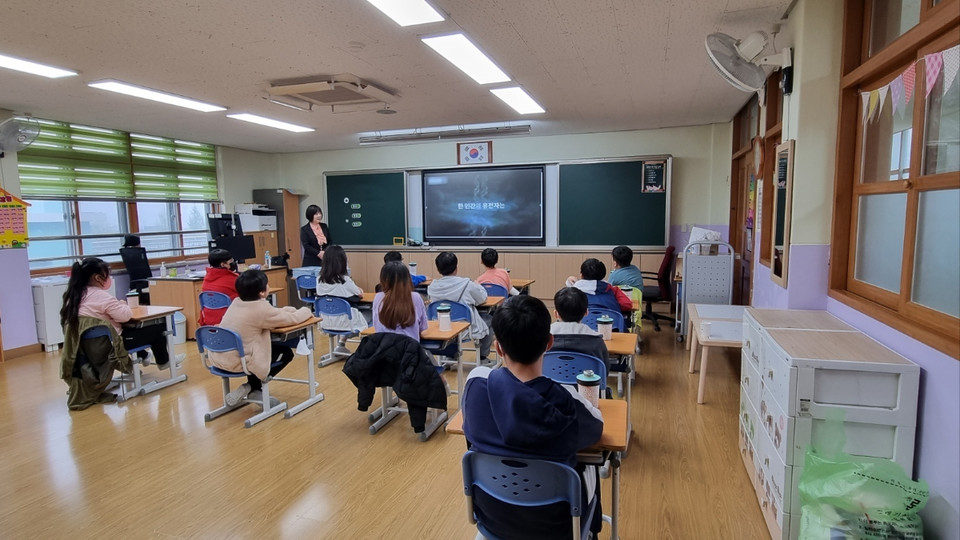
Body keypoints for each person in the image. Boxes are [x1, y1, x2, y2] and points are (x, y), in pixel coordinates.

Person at [461, 295, 604, 539]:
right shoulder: (568, 401)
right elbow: (596, 428)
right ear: (549, 342)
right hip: (556, 526)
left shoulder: (476, 385)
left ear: (498, 347)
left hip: (493, 517)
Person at [212, 269, 313, 406]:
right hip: (240, 362)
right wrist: (307, 310)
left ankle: (253, 388)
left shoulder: (236, 303)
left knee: (262, 349)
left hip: (220, 358)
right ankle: (252, 387)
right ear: (262, 292)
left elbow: (273, 313)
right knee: (286, 353)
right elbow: (293, 319)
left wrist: (288, 310)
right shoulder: (261, 309)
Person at [60, 257, 170, 369]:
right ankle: (163, 362)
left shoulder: (72, 297)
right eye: (107, 275)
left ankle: (144, 356)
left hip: (84, 345)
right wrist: (123, 304)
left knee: (129, 331)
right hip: (110, 344)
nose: (108, 278)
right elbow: (125, 316)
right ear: (98, 277)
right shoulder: (101, 296)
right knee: (158, 330)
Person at [427, 251, 493, 362]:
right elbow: (482, 298)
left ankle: (450, 355)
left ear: (438, 269)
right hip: (466, 330)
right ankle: (482, 357)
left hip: (443, 328)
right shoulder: (466, 284)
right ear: (456, 267)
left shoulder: (432, 287)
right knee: (489, 319)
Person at [314, 245, 369, 347]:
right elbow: (359, 293)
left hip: (326, 322)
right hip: (347, 323)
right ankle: (366, 349)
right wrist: (358, 289)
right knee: (372, 314)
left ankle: (341, 344)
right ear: (342, 261)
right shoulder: (344, 280)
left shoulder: (319, 279)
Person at [550, 287, 610, 373]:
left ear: (556, 314)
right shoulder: (596, 341)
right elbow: (604, 371)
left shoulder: (543, 339)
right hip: (584, 381)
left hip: (548, 381)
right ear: (586, 312)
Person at [373, 261, 428, 342]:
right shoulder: (415, 297)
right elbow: (423, 327)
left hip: (384, 348)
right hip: (410, 348)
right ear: (408, 279)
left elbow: (376, 326)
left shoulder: (378, 297)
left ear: (383, 280)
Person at [565, 258, 633, 314]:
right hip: (612, 325)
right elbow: (627, 305)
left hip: (581, 325)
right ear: (603, 275)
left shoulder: (572, 292)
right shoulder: (612, 289)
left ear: (581, 275)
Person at [198, 248, 239, 326]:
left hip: (209, 319)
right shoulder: (233, 279)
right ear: (223, 264)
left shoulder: (207, 279)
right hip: (228, 319)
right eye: (230, 261)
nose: (233, 263)